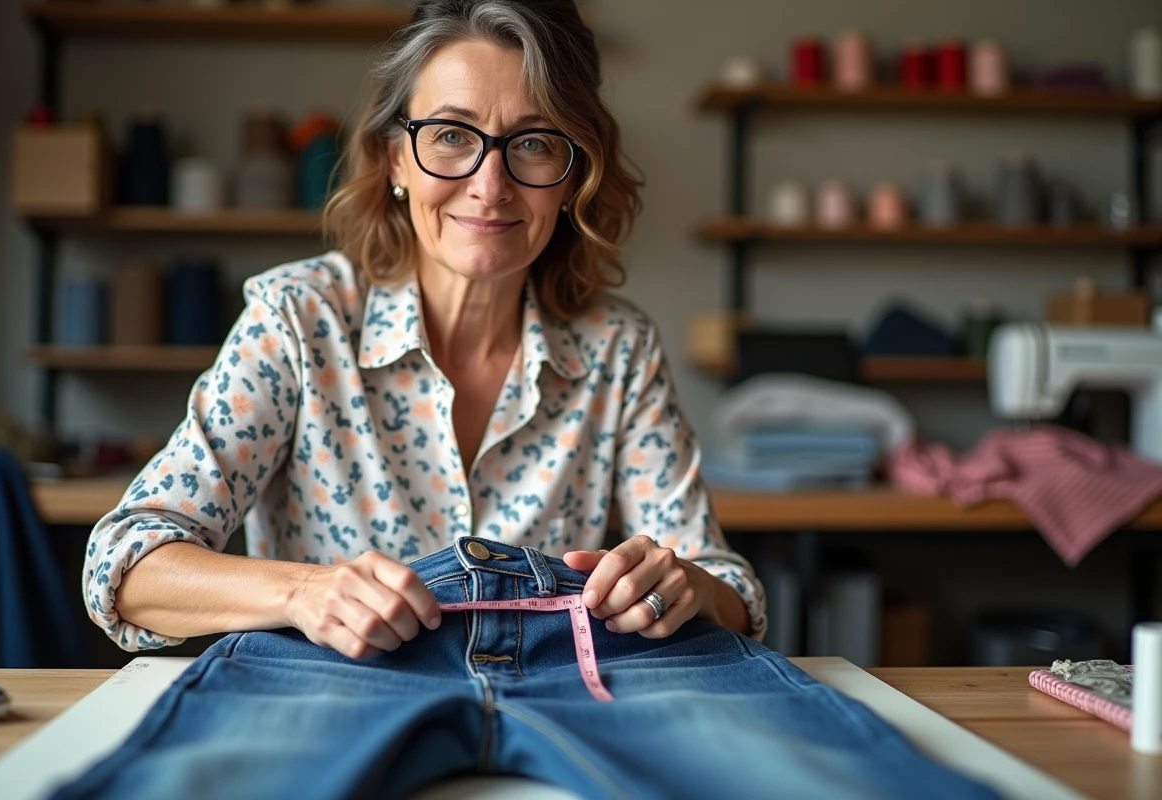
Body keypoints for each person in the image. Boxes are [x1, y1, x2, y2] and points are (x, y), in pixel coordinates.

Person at [82, 0, 767, 661]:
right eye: (450, 135)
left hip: (547, 709)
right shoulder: (299, 319)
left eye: (532, 143)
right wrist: (303, 591)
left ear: (574, 174)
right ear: (394, 158)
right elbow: (126, 563)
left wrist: (685, 588)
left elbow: (730, 591)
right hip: (334, 710)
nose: (489, 185)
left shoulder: (619, 348)